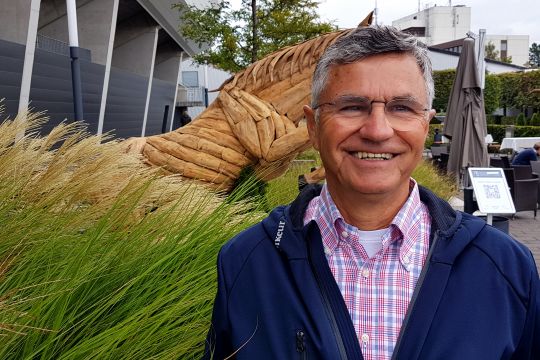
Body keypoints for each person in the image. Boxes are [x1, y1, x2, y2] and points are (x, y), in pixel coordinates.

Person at [204, 26, 539, 359]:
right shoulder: (246, 261)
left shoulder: (506, 268)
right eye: (352, 106)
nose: (377, 131)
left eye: (402, 108)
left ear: (426, 125)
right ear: (313, 127)